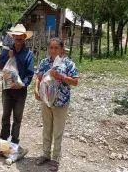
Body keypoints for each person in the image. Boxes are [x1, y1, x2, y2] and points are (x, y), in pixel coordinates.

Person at [34, 37, 79, 172]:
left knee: (58, 131)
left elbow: (75, 81)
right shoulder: (44, 62)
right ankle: (45, 154)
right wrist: (36, 90)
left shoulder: (68, 64)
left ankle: (55, 159)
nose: (53, 50)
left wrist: (61, 77)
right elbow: (39, 77)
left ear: (61, 49)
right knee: (47, 129)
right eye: (51, 47)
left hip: (61, 102)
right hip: (46, 101)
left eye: (56, 47)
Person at [0, 24, 34, 145]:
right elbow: (0, 66)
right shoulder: (7, 51)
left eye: (21, 36)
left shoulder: (28, 54)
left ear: (25, 37)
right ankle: (3, 139)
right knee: (5, 115)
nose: (19, 38)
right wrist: (7, 58)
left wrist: (23, 84)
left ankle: (14, 141)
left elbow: (30, 73)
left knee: (18, 117)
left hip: (20, 90)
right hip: (7, 88)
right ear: (13, 36)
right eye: (16, 35)